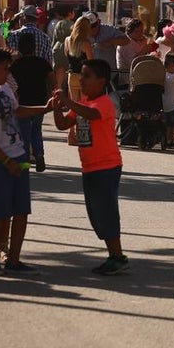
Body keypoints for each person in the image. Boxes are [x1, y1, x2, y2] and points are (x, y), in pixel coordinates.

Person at [0, 45, 53, 275]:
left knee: (21, 211)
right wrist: (5, 160)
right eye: (4, 69)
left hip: (17, 155)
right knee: (1, 213)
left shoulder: (5, 88)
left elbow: (17, 111)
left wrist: (44, 109)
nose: (7, 73)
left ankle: (14, 258)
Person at [51, 59, 129, 276]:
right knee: (96, 214)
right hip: (89, 167)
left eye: (86, 76)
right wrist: (58, 108)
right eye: (81, 75)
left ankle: (118, 256)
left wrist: (68, 100)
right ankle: (113, 255)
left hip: (107, 166)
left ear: (101, 81)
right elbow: (63, 124)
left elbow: (91, 115)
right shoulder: (84, 102)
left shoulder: (103, 103)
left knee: (106, 212)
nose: (81, 80)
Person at [10, 32, 53, 172]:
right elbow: (52, 79)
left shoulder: (15, 65)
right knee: (36, 129)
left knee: (24, 132)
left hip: (22, 101)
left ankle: (26, 161)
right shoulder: (42, 63)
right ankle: (39, 155)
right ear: (34, 47)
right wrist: (52, 92)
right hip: (40, 101)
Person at [65, 17, 94, 102]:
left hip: (72, 76)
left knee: (74, 106)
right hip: (84, 77)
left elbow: (66, 55)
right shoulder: (86, 43)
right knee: (84, 106)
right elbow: (91, 62)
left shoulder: (67, 40)